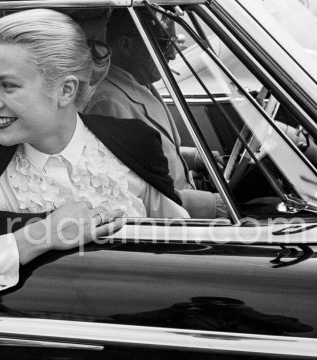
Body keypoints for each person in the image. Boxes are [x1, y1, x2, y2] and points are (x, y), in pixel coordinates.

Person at [0, 9, 189, 316]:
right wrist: (40, 236)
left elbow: (187, 243)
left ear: (65, 90)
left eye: (7, 85)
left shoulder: (133, 146)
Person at [84, 9, 227, 219]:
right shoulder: (107, 104)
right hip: (173, 219)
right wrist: (211, 205)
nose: (173, 54)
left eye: (173, 42)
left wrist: (195, 157)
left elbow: (149, 151)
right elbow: (134, 189)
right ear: (126, 45)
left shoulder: (142, 83)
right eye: (163, 43)